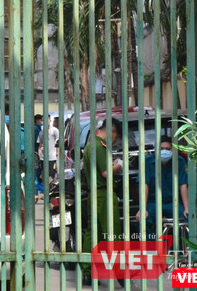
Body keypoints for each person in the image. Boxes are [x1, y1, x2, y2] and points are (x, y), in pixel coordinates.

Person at [81, 117, 124, 285]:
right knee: (113, 233)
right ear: (111, 131)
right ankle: (120, 272)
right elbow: (106, 173)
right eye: (116, 137)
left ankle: (88, 271)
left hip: (95, 195)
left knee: (94, 234)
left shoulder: (92, 145)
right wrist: (119, 165)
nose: (115, 140)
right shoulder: (99, 146)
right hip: (103, 195)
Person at [135, 135, 189, 236]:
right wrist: (143, 208)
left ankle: (179, 250)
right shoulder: (147, 161)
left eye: (167, 149)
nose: (164, 151)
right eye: (161, 149)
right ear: (156, 149)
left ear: (172, 149)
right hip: (153, 202)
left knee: (187, 219)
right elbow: (145, 185)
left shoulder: (179, 161)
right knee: (142, 220)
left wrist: (187, 207)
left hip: (173, 202)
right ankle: (151, 249)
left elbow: (183, 184)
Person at [38, 116, 60, 183]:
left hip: (52, 157)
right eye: (42, 120)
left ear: (50, 120)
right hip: (43, 157)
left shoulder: (55, 130)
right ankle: (47, 188)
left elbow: (58, 144)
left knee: (52, 174)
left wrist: (57, 155)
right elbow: (40, 145)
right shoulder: (41, 132)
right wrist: (39, 155)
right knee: (44, 174)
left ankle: (52, 187)